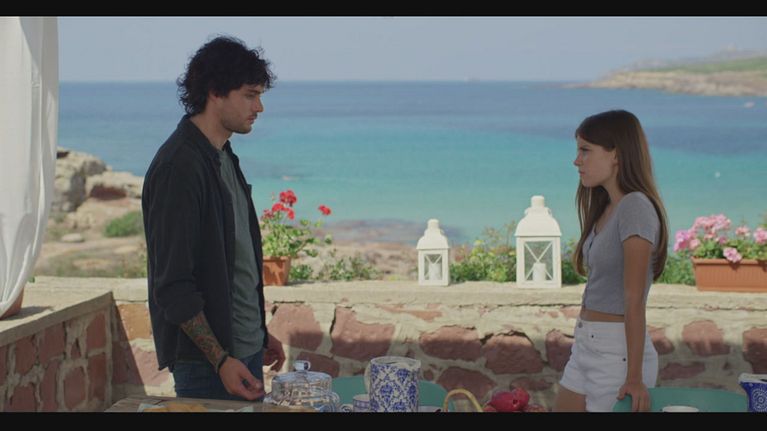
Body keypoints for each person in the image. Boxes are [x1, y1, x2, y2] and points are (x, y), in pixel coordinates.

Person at [142, 35, 286, 401]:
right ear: (215, 92)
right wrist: (220, 359)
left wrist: (258, 332)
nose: (260, 107)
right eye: (250, 95)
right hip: (208, 367)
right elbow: (173, 285)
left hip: (243, 352)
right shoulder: (179, 167)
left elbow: (232, 261)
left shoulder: (222, 155)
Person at [554, 110, 669, 412]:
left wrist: (634, 377)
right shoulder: (606, 208)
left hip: (617, 354)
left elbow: (634, 299)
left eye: (585, 150)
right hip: (586, 342)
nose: (576, 160)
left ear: (616, 154)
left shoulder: (635, 207)